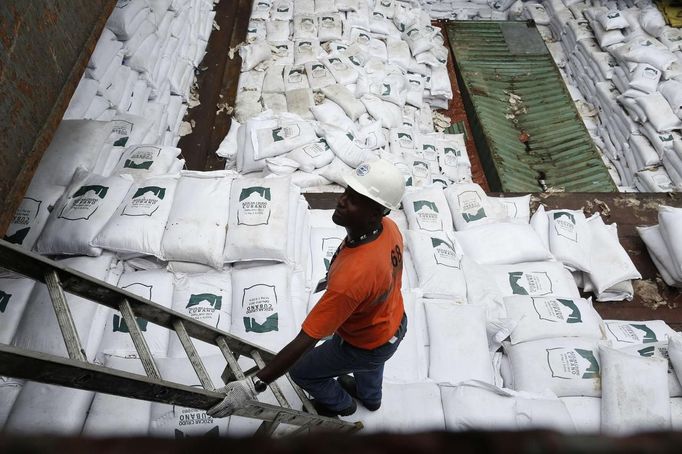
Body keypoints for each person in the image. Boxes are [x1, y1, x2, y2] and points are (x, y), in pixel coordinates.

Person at [208, 159, 407, 418]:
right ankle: (371, 398)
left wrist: (253, 385)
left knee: (302, 371)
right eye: (346, 192)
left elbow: (307, 339)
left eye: (355, 199)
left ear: (376, 212)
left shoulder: (353, 278)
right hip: (392, 324)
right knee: (372, 363)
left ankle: (342, 405)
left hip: (365, 342)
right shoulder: (388, 229)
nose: (341, 201)